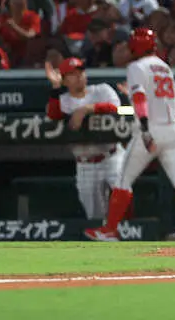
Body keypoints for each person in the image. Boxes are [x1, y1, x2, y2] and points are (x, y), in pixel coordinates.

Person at [85, 28, 175, 241]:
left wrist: (145, 127)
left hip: (150, 129)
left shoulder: (136, 66)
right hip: (172, 130)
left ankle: (110, 229)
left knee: (123, 180)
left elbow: (140, 98)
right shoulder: (165, 68)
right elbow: (160, 96)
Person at [44, 57, 122, 221]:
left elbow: (120, 109)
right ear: (64, 81)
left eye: (80, 72)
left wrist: (88, 108)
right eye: (72, 74)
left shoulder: (102, 90)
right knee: (94, 216)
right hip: (85, 163)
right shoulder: (63, 101)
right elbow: (53, 115)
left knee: (123, 195)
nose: (79, 76)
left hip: (112, 156)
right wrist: (55, 87)